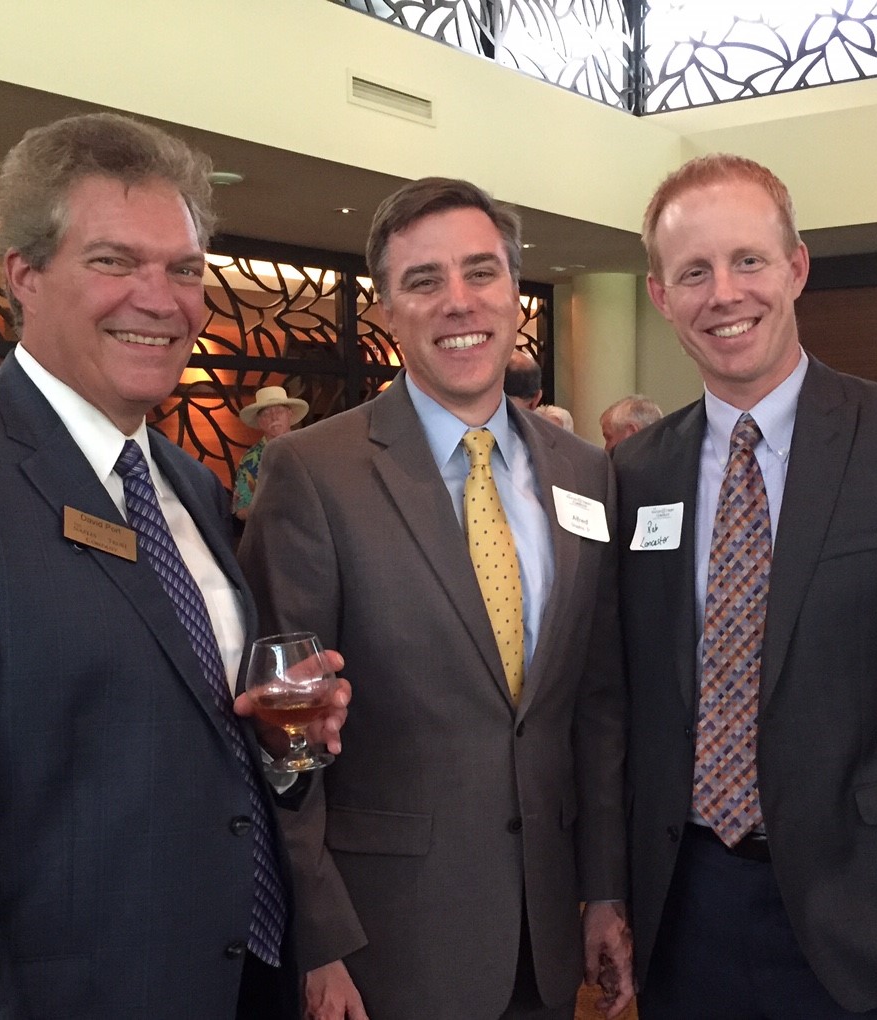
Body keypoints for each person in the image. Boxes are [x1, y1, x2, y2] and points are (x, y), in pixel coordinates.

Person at [0, 112, 348, 1019]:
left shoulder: (186, 481)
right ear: (23, 276)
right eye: (114, 260)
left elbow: (172, 732)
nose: (162, 299)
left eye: (185, 269)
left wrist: (277, 740)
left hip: (238, 983)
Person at [615, 153, 877, 1019]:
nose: (725, 293)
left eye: (749, 261)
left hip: (875, 905)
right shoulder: (638, 471)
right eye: (694, 272)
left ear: (796, 267)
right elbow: (629, 697)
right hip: (686, 911)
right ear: (661, 297)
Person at [239, 177, 633, 1020]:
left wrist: (603, 890)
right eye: (424, 281)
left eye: (481, 273)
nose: (459, 303)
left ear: (516, 296)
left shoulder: (583, 472)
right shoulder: (313, 475)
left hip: (546, 934)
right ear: (386, 308)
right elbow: (285, 734)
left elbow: (594, 705)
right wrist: (320, 938)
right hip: (387, 943)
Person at [233, 384, 310, 520]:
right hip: (270, 531)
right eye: (266, 413)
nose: (273, 417)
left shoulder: (308, 448)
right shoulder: (250, 460)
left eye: (279, 411)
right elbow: (241, 510)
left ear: (289, 414)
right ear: (259, 421)